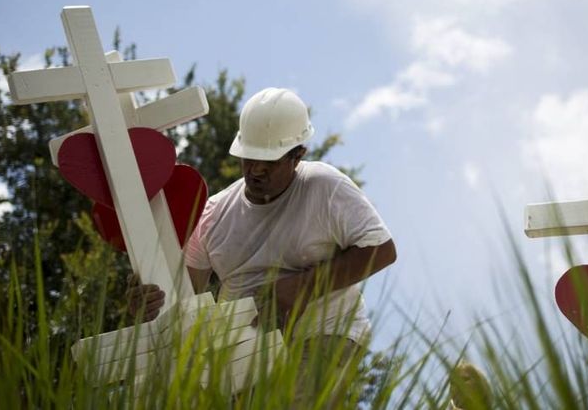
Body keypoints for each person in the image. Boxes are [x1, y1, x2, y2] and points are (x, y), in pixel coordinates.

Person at [128, 87, 397, 402]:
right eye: (250, 157)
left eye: (269, 161)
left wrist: (302, 288)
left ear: (298, 155)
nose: (256, 170)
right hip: (243, 347)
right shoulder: (214, 214)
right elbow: (183, 294)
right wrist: (147, 302)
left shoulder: (324, 188)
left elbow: (381, 250)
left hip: (323, 332)